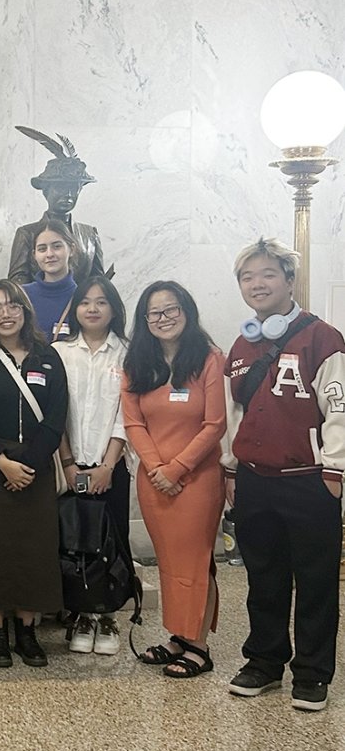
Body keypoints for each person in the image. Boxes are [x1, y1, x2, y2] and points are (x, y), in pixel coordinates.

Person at [222, 239, 345, 711]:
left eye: (268, 274)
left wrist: (333, 470)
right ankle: (264, 661)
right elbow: (235, 414)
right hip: (254, 480)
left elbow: (338, 406)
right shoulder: (241, 344)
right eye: (248, 277)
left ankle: (313, 674)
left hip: (308, 478)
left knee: (315, 581)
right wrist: (231, 468)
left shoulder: (322, 337)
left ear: (288, 280)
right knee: (263, 577)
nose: (257, 284)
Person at [0, 280, 68, 669]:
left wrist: (31, 465)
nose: (5, 314)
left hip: (34, 467)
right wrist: (2, 460)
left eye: (13, 306)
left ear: (25, 311)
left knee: (32, 551)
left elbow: (55, 419)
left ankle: (27, 631)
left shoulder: (48, 357)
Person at [121, 281, 226, 679]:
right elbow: (133, 421)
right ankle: (179, 636)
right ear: (144, 320)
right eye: (155, 313)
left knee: (195, 561)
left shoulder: (209, 358)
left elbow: (215, 424)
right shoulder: (138, 363)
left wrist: (176, 469)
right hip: (153, 479)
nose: (163, 319)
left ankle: (199, 646)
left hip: (197, 480)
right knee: (167, 560)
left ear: (187, 311)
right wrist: (155, 468)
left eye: (171, 310)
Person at [53, 275, 130, 655]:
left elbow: (126, 415)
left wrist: (108, 466)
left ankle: (108, 615)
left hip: (111, 466)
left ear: (113, 309)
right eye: (85, 302)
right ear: (76, 309)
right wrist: (68, 464)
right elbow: (57, 414)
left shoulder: (128, 354)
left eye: (101, 302)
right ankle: (81, 613)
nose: (93, 308)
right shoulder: (61, 353)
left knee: (112, 542)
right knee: (73, 541)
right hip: (70, 465)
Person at [8, 128, 105, 287]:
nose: (68, 194)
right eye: (60, 188)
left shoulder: (90, 235)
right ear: (46, 191)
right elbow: (17, 285)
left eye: (73, 189)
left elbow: (99, 283)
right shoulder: (27, 234)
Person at [22, 218, 78, 343]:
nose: (49, 254)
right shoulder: (22, 296)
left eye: (57, 246)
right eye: (42, 249)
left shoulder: (83, 297)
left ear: (72, 249)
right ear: (34, 255)